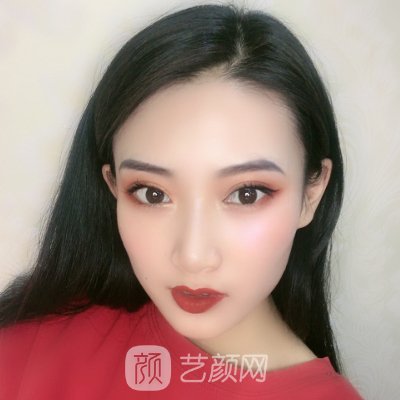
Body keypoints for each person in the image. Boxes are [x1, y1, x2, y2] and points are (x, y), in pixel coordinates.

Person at [0, 4, 363, 399]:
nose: (192, 257)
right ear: (112, 185)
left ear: (311, 194)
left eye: (247, 194)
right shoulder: (28, 346)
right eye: (152, 194)